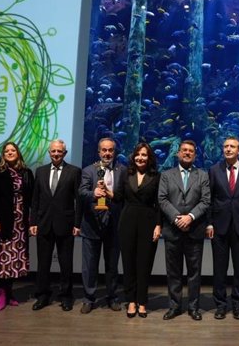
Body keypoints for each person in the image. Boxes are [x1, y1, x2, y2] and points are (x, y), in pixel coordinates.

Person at [207, 136, 239, 320]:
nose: (228, 149)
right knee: (219, 269)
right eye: (226, 146)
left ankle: (238, 304)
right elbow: (210, 200)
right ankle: (220, 305)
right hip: (219, 228)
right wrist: (209, 222)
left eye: (232, 147)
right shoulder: (214, 170)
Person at [0, 142, 34, 311]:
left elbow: (32, 199)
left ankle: (9, 292)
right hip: (0, 221)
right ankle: (1, 292)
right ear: (3, 155)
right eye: (7, 151)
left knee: (14, 260)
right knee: (0, 258)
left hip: (19, 223)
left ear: (18, 153)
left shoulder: (27, 173)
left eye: (13, 150)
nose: (10, 153)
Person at [158, 140, 211, 321]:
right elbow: (162, 199)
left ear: (195, 155)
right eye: (184, 150)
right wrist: (177, 218)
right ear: (178, 153)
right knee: (173, 271)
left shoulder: (202, 175)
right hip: (172, 230)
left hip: (194, 230)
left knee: (194, 272)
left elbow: (205, 201)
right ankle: (174, 306)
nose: (187, 153)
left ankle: (193, 307)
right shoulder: (166, 175)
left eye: (191, 151)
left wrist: (190, 217)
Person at [30, 139, 81, 312]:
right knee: (43, 263)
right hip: (43, 224)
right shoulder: (40, 171)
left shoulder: (74, 172)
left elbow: (78, 201)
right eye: (53, 151)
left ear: (65, 153)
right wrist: (33, 222)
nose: (56, 154)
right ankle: (42, 295)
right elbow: (35, 200)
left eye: (60, 151)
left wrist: (77, 223)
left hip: (65, 224)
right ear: (49, 152)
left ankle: (66, 296)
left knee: (66, 263)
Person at [77, 137, 125, 314]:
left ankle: (112, 297)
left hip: (114, 225)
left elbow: (124, 196)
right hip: (92, 225)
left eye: (110, 150)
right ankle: (89, 298)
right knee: (89, 266)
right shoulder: (88, 171)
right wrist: (93, 193)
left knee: (112, 265)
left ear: (114, 152)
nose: (107, 153)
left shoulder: (123, 171)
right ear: (98, 152)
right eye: (104, 150)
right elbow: (81, 192)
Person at [114, 142, 161, 318]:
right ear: (134, 157)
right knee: (129, 264)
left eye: (144, 155)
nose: (141, 158)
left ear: (149, 158)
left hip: (148, 223)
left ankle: (142, 302)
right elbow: (118, 197)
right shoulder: (126, 174)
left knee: (144, 264)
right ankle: (131, 301)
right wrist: (104, 192)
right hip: (127, 222)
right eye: (138, 155)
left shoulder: (157, 176)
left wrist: (158, 225)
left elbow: (159, 204)